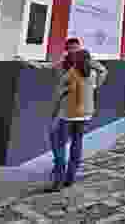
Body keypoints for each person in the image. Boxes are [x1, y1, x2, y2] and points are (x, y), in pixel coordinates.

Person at [48, 38, 107, 191]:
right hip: (86, 113)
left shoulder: (70, 74)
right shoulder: (92, 73)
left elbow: (58, 94)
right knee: (77, 142)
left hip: (68, 114)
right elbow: (103, 72)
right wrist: (94, 87)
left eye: (75, 49)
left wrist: (54, 113)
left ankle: (59, 179)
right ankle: (70, 177)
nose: (73, 51)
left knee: (59, 144)